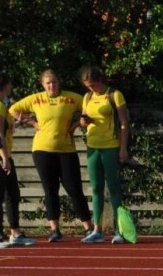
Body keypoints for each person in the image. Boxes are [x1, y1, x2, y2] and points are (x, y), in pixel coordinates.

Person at [11, 69, 90, 242]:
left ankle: (88, 228)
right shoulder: (36, 99)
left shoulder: (70, 98)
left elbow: (87, 104)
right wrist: (32, 122)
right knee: (50, 189)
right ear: (43, 85)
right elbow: (13, 109)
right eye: (48, 83)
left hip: (66, 149)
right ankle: (54, 229)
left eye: (54, 82)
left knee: (74, 189)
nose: (51, 86)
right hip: (42, 149)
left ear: (58, 82)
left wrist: (77, 123)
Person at [78, 65, 133, 244]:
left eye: (92, 85)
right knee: (96, 188)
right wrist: (83, 121)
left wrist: (123, 148)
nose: (90, 88)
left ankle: (119, 230)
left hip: (111, 145)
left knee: (114, 187)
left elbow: (124, 123)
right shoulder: (87, 97)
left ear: (100, 80)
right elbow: (83, 122)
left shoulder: (115, 95)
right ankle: (97, 229)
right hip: (93, 146)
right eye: (87, 86)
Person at [0, 71, 34, 249]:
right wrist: (4, 158)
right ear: (4, 85)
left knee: (12, 193)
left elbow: (5, 127)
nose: (11, 87)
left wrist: (18, 123)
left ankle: (15, 232)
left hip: (3, 154)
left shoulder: (2, 105)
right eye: (10, 84)